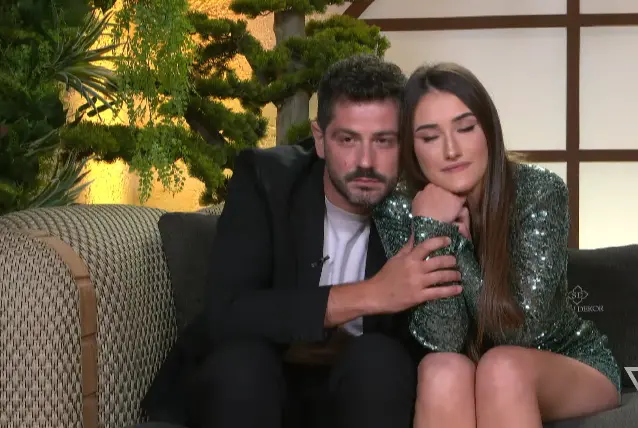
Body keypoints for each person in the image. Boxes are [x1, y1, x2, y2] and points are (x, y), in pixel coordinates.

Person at [139, 54, 463, 428]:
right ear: (320, 139)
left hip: (356, 392)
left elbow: (438, 344)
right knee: (244, 363)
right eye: (348, 139)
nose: (366, 161)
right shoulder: (266, 181)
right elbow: (227, 311)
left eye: (384, 141)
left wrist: (449, 232)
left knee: (379, 359)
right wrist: (373, 294)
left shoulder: (419, 208)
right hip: (253, 389)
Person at [371, 62, 622, 428]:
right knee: (441, 369)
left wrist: (458, 247)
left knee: (502, 367)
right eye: (430, 137)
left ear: (489, 129)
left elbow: (522, 331)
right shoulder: (401, 207)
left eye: (466, 128)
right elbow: (443, 338)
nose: (452, 150)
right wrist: (431, 228)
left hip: (565, 360)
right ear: (412, 147)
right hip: (469, 369)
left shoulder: (538, 191)